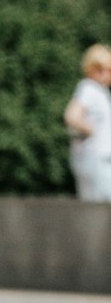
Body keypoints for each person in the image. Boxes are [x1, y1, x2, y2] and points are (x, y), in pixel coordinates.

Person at [63, 44, 111, 201]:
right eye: (107, 69)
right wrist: (91, 131)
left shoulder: (99, 91)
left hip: (95, 159)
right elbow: (72, 116)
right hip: (97, 160)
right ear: (94, 69)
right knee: (99, 209)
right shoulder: (89, 88)